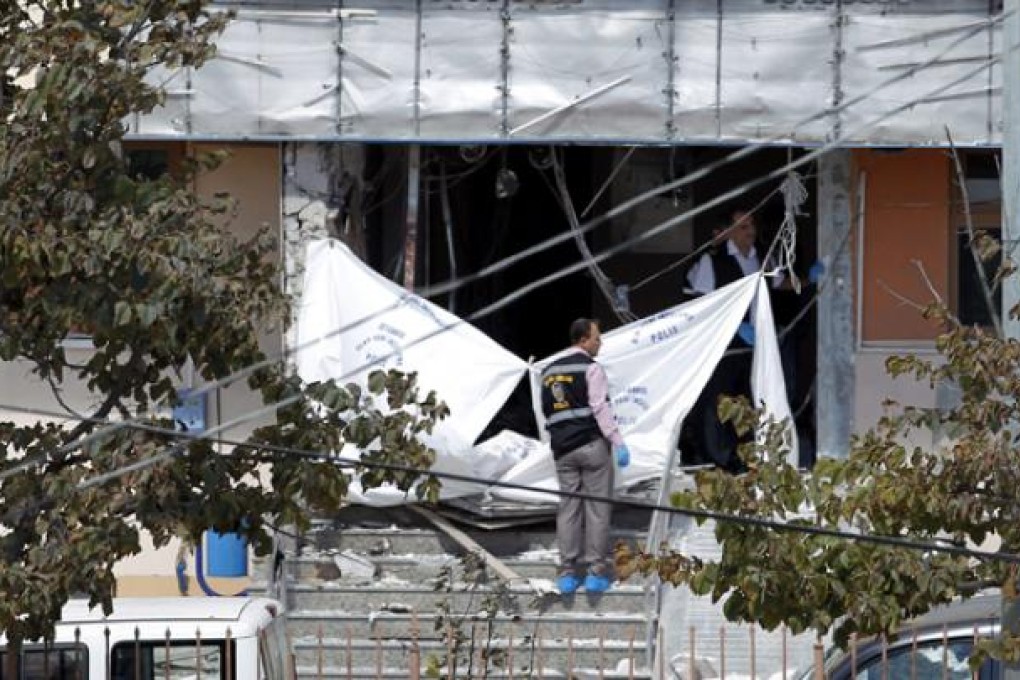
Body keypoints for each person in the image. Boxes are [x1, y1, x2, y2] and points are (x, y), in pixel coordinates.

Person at [540, 318, 630, 595]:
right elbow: (599, 407)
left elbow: (547, 411)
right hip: (592, 446)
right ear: (582, 340)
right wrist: (617, 442)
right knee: (597, 510)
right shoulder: (591, 368)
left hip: (563, 449)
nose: (599, 342)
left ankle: (567, 573)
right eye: (596, 338)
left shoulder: (548, 372)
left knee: (568, 510)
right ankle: (595, 573)